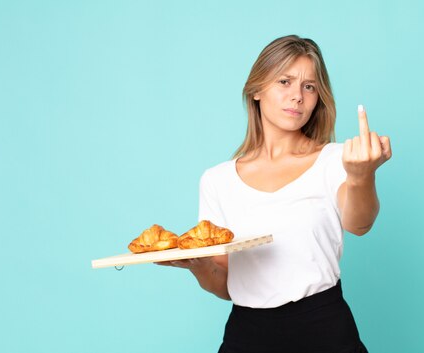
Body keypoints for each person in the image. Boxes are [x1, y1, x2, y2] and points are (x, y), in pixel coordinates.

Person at [158, 34, 392, 353]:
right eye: (285, 81)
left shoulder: (335, 159)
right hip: (247, 333)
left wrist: (360, 175)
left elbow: (359, 223)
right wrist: (196, 264)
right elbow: (225, 285)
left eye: (309, 86)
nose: (297, 96)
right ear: (256, 90)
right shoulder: (217, 181)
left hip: (323, 328)